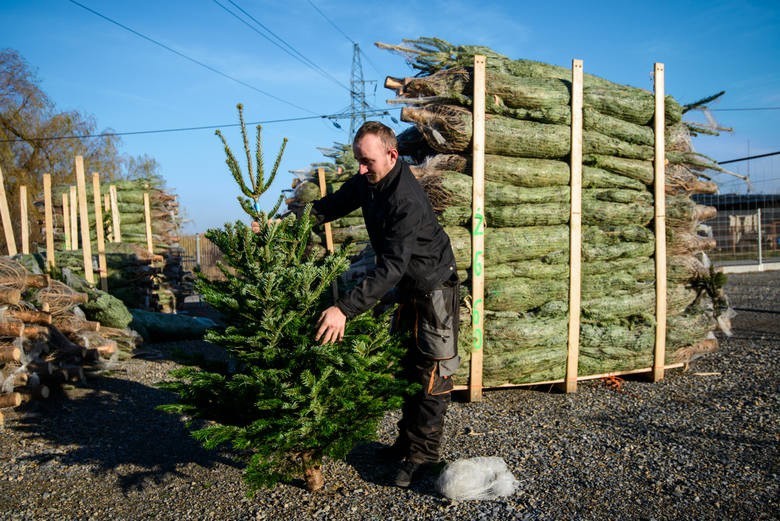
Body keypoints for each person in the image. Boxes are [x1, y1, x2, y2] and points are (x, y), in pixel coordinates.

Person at [311, 121, 460, 487]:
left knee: (433, 375)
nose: (361, 169)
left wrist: (343, 308)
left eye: (367, 161)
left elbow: (392, 267)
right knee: (409, 366)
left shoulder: (404, 199)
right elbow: (331, 205)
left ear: (391, 155)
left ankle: (422, 458)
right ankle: (404, 444)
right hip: (409, 287)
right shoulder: (368, 181)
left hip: (435, 288)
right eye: (358, 161)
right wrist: (285, 223)